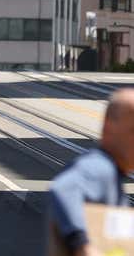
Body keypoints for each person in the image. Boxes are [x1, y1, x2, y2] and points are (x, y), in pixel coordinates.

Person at [49, 89, 134, 256]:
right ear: (108, 128)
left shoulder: (113, 175)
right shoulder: (98, 168)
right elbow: (64, 187)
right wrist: (82, 244)